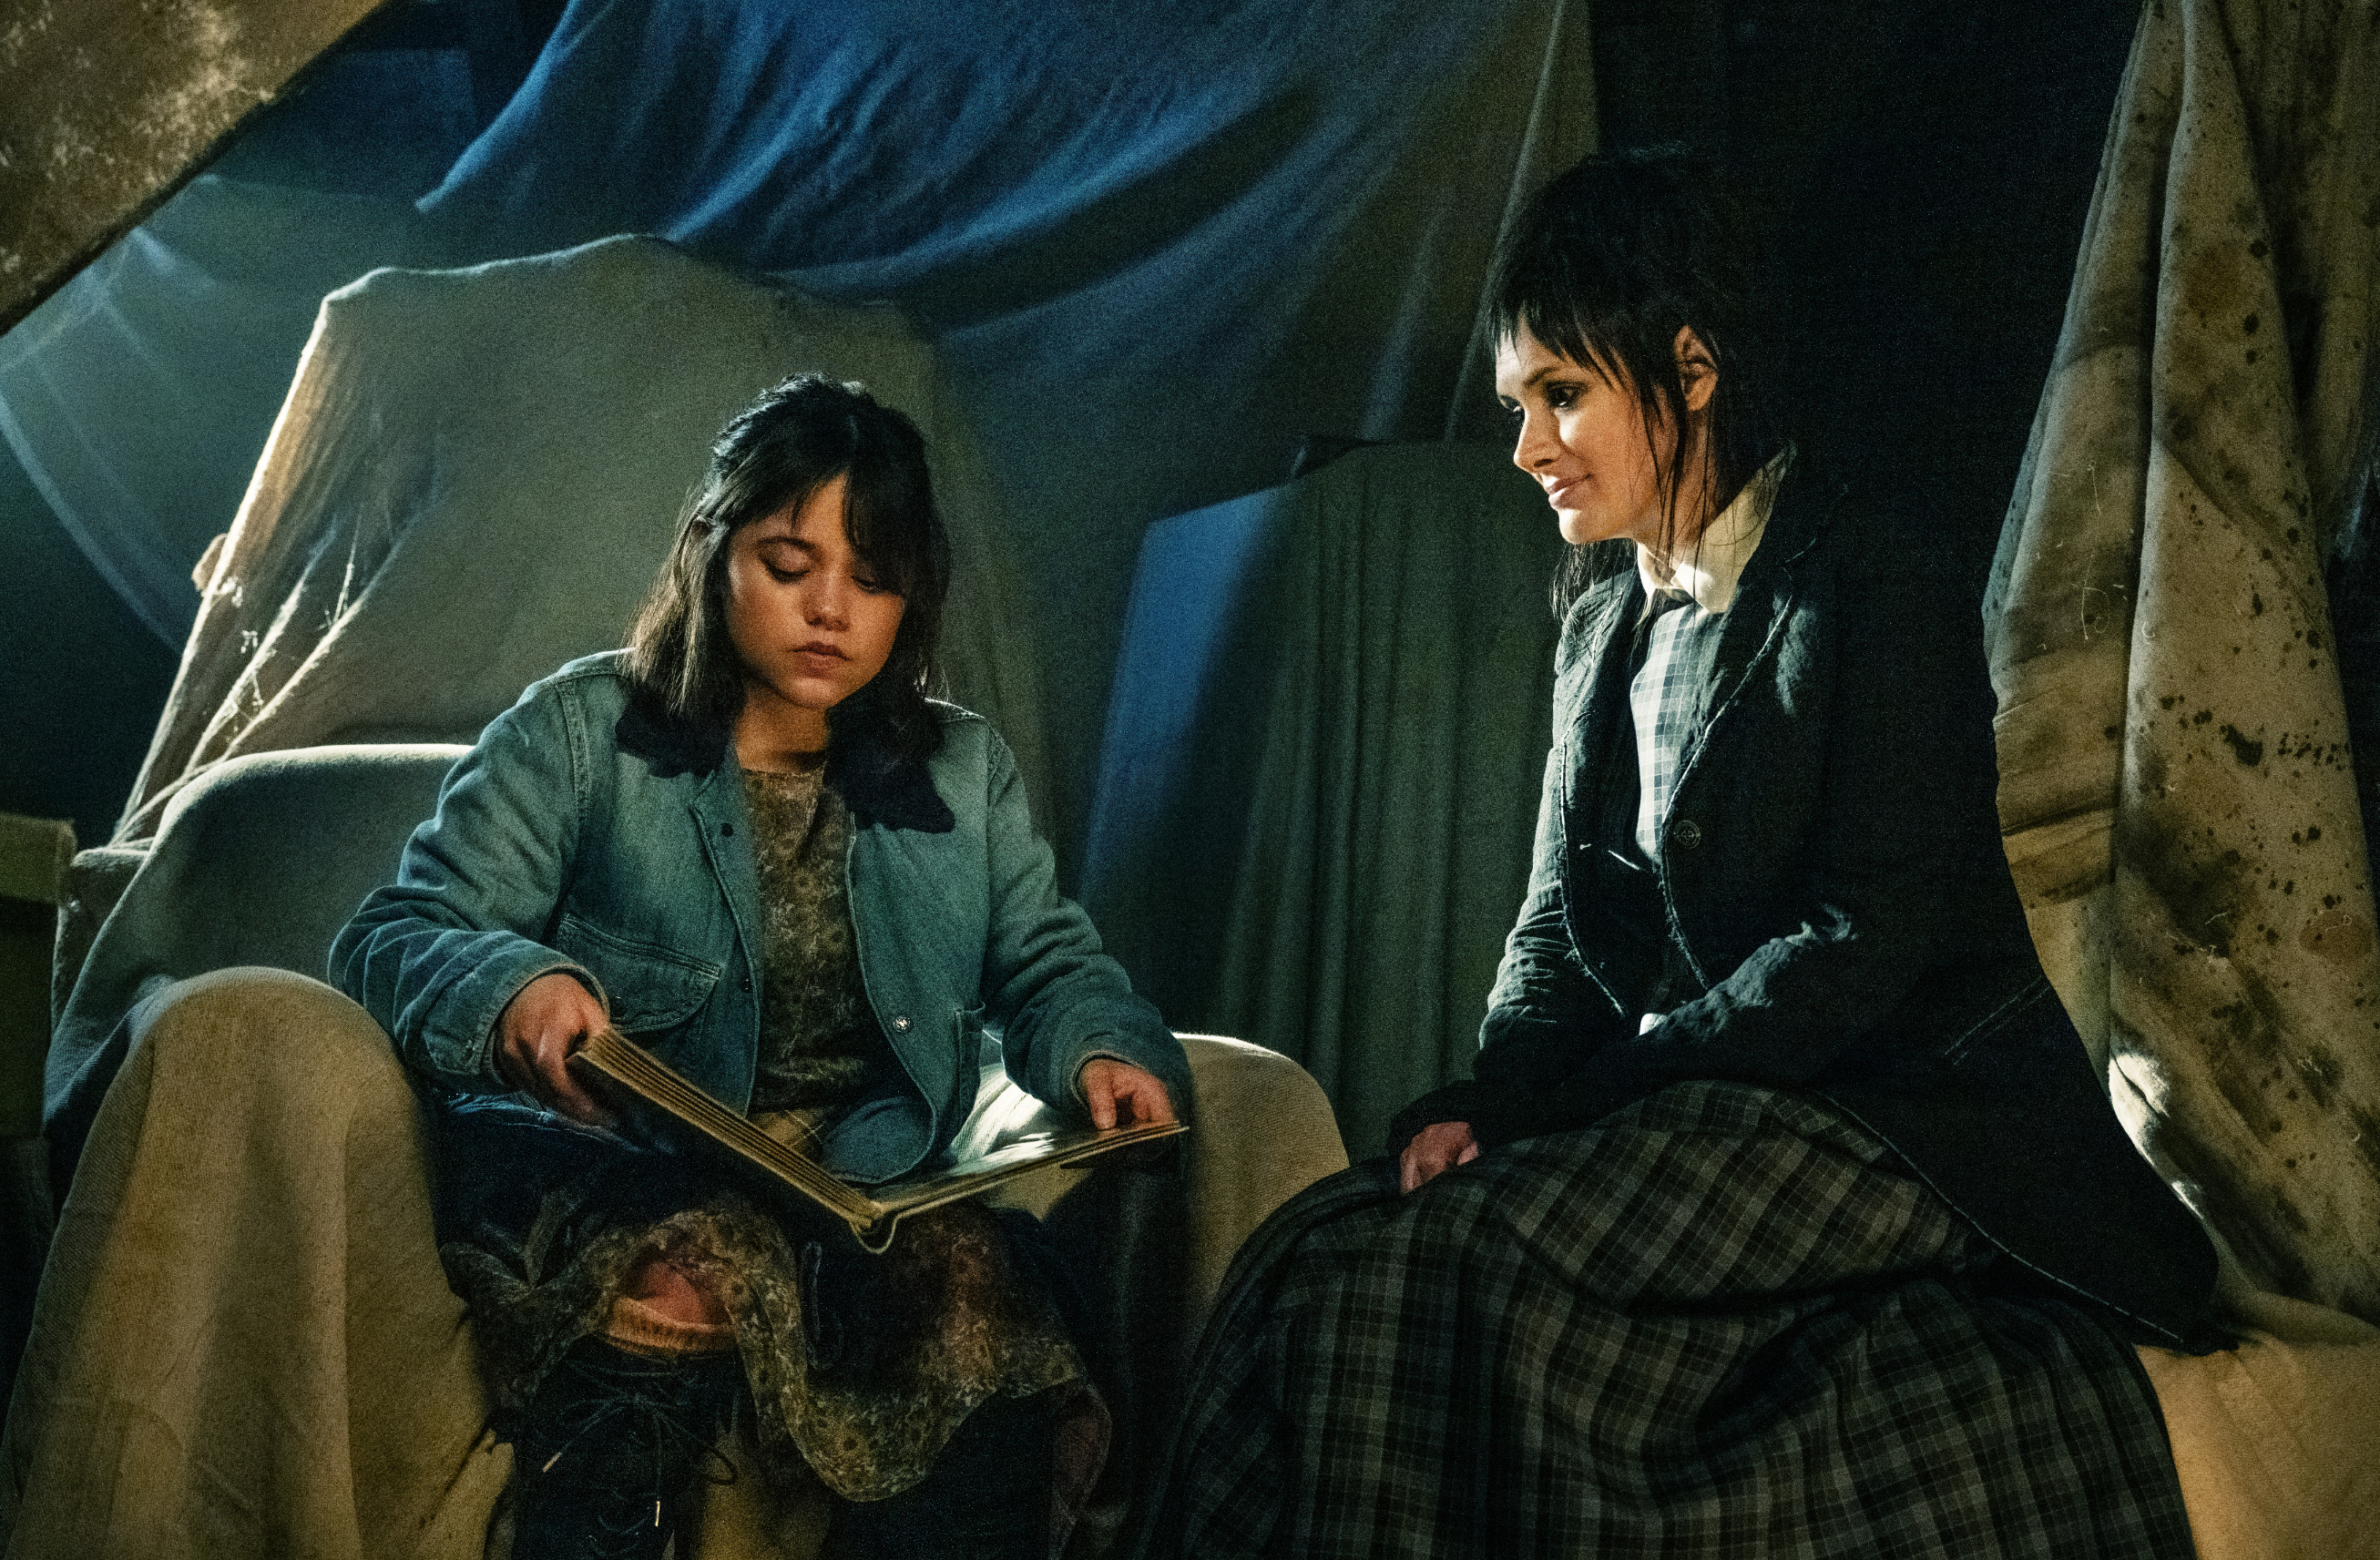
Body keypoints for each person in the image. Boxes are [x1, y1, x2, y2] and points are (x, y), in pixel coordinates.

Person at [1132, 148, 2219, 1558]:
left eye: (1561, 394)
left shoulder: (1865, 574)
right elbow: (1551, 932)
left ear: (1689, 367)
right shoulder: (1603, 625)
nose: (1525, 445)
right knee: (1316, 1251)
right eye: (1519, 403)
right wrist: (1498, 1098)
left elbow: (1860, 945)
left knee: (1455, 1261)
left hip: (1890, 1116)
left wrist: (1595, 1100)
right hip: (1701, 1098)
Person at [331, 372, 1190, 1560]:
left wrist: (1103, 1047)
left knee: (978, 1293)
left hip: (862, 1191)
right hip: (627, 1163)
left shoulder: (959, 771)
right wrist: (512, 987)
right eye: (790, 565)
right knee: (680, 1273)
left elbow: (1046, 960)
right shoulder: (584, 729)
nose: (830, 609)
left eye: (873, 578)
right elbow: (397, 928)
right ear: (711, 552)